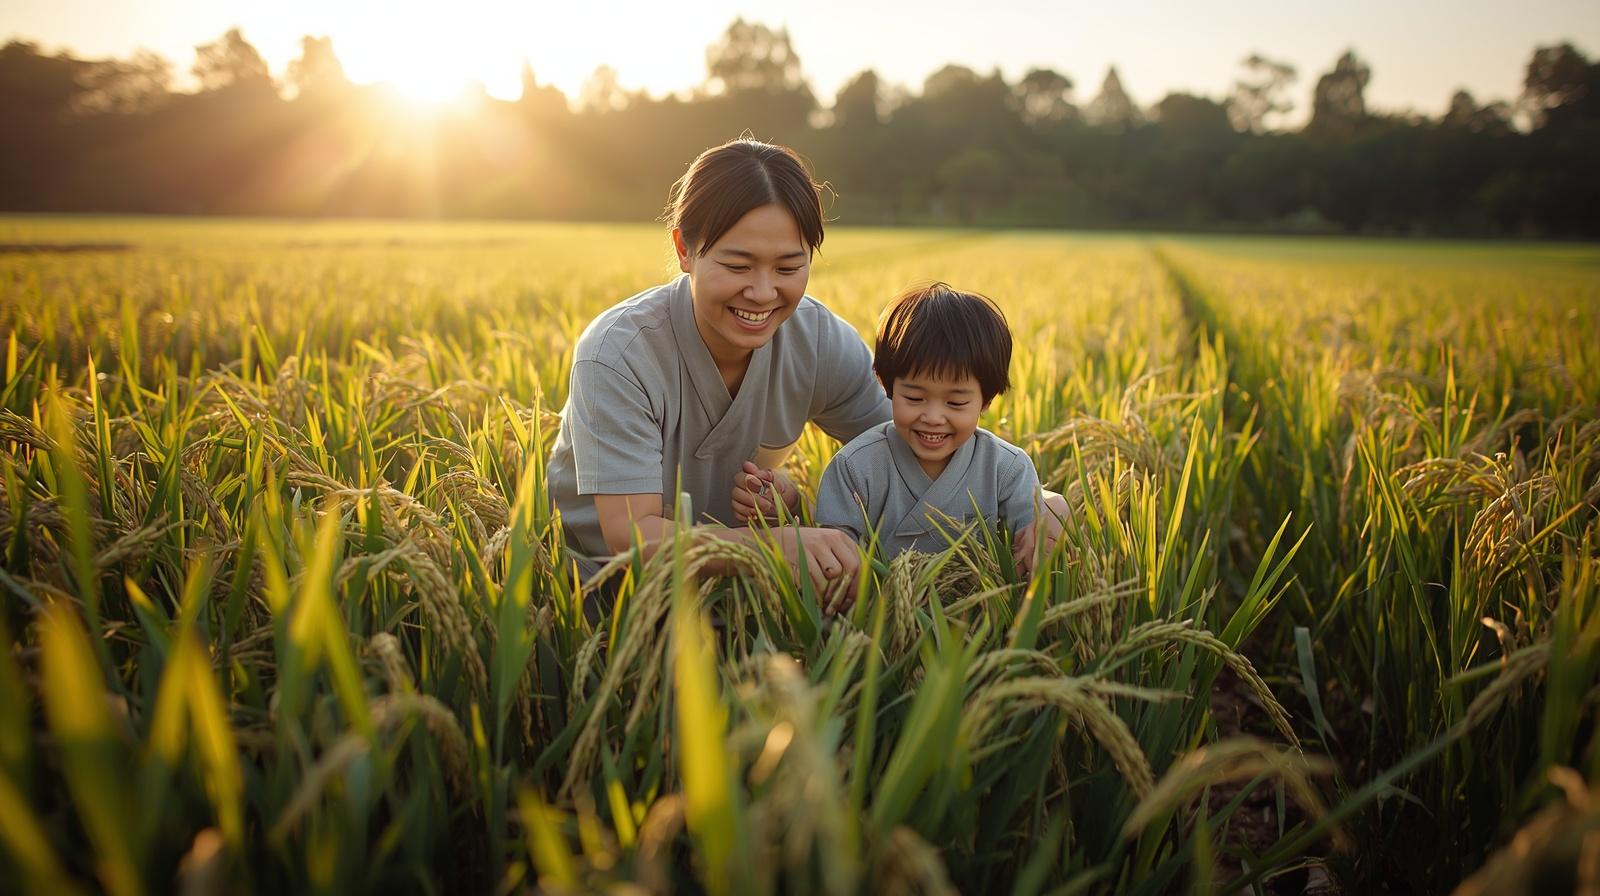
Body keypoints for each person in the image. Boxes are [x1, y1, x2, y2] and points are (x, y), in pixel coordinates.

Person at [549, 137, 1063, 614]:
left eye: (789, 268)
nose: (763, 292)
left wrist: (1044, 504)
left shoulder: (815, 339)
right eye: (739, 264)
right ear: (685, 249)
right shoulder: (618, 354)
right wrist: (781, 544)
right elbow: (631, 539)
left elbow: (926, 433)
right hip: (605, 595)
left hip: (744, 586)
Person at [808, 283, 1042, 560]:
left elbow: (1036, 538)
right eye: (915, 398)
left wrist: (1042, 527)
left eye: (955, 403)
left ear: (987, 399)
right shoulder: (855, 468)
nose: (932, 418)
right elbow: (833, 556)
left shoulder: (1006, 469)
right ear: (886, 384)